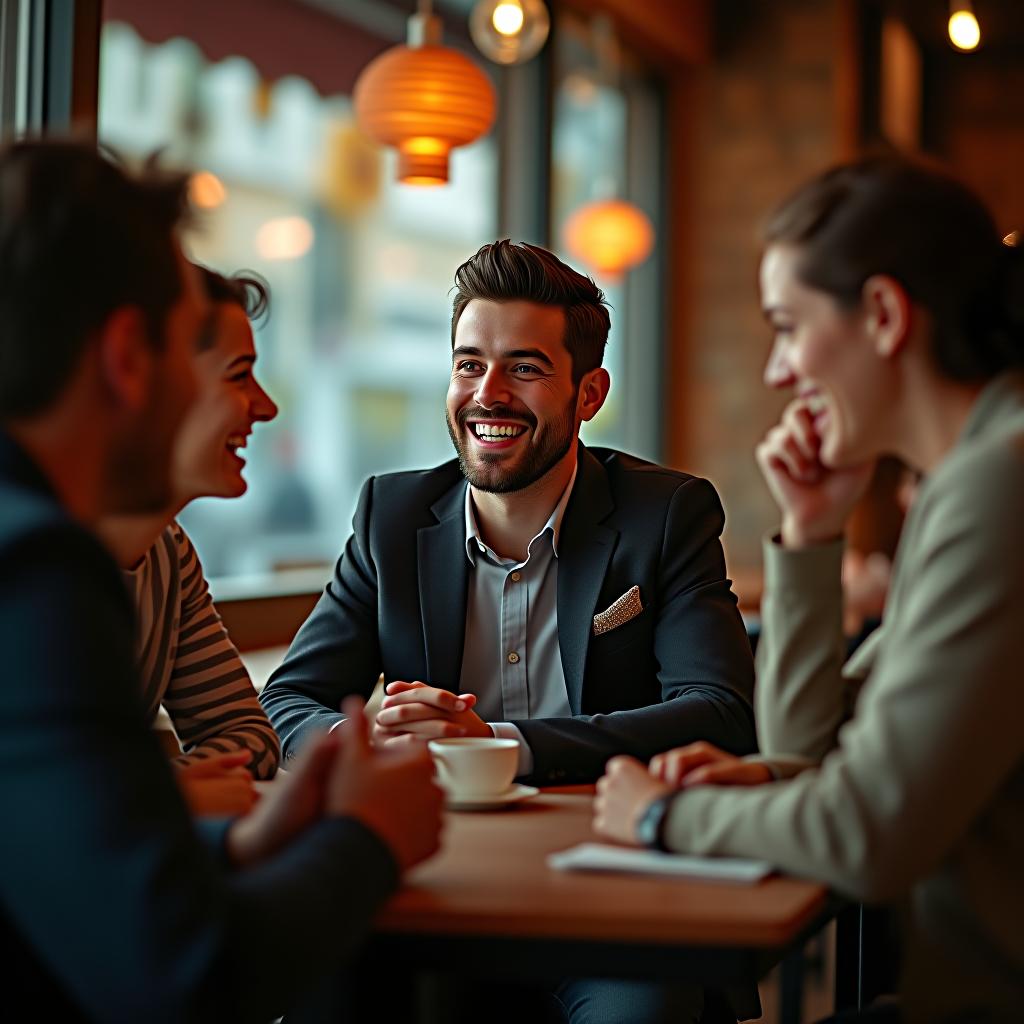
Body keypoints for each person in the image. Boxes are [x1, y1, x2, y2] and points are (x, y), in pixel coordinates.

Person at [0, 138, 443, 1022]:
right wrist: (369, 835)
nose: (261, 404)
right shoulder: (33, 574)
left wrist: (241, 843)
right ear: (129, 356)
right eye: (187, 346)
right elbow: (185, 976)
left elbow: (56, 870)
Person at [261, 239, 757, 1023]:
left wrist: (498, 744)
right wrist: (369, 744)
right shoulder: (391, 518)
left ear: (588, 392)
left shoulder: (665, 515)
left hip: (616, 900)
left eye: (523, 368)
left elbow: (721, 713)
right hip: (432, 886)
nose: (487, 394)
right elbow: (290, 700)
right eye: (468, 365)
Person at [593, 156, 1024, 1024]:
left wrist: (657, 819)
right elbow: (816, 746)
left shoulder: (999, 483)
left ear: (883, 315)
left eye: (788, 326)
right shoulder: (972, 476)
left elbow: (867, 838)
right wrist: (814, 531)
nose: (778, 372)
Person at [98, 267, 280, 816]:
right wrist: (157, 796)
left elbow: (248, 731)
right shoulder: (30, 557)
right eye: (238, 375)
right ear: (144, 380)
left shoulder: (167, 552)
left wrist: (157, 792)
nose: (266, 407)